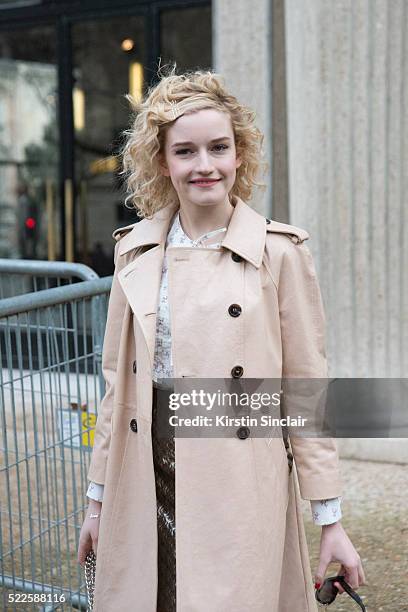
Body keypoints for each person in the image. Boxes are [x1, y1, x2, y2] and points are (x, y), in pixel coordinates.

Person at [77, 65, 365, 611]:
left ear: (239, 154)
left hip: (237, 475)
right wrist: (96, 503)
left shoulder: (279, 252)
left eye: (218, 147)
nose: (204, 165)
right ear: (162, 161)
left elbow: (305, 389)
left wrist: (330, 519)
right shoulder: (133, 253)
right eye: (185, 151)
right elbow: (117, 388)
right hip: (144, 474)